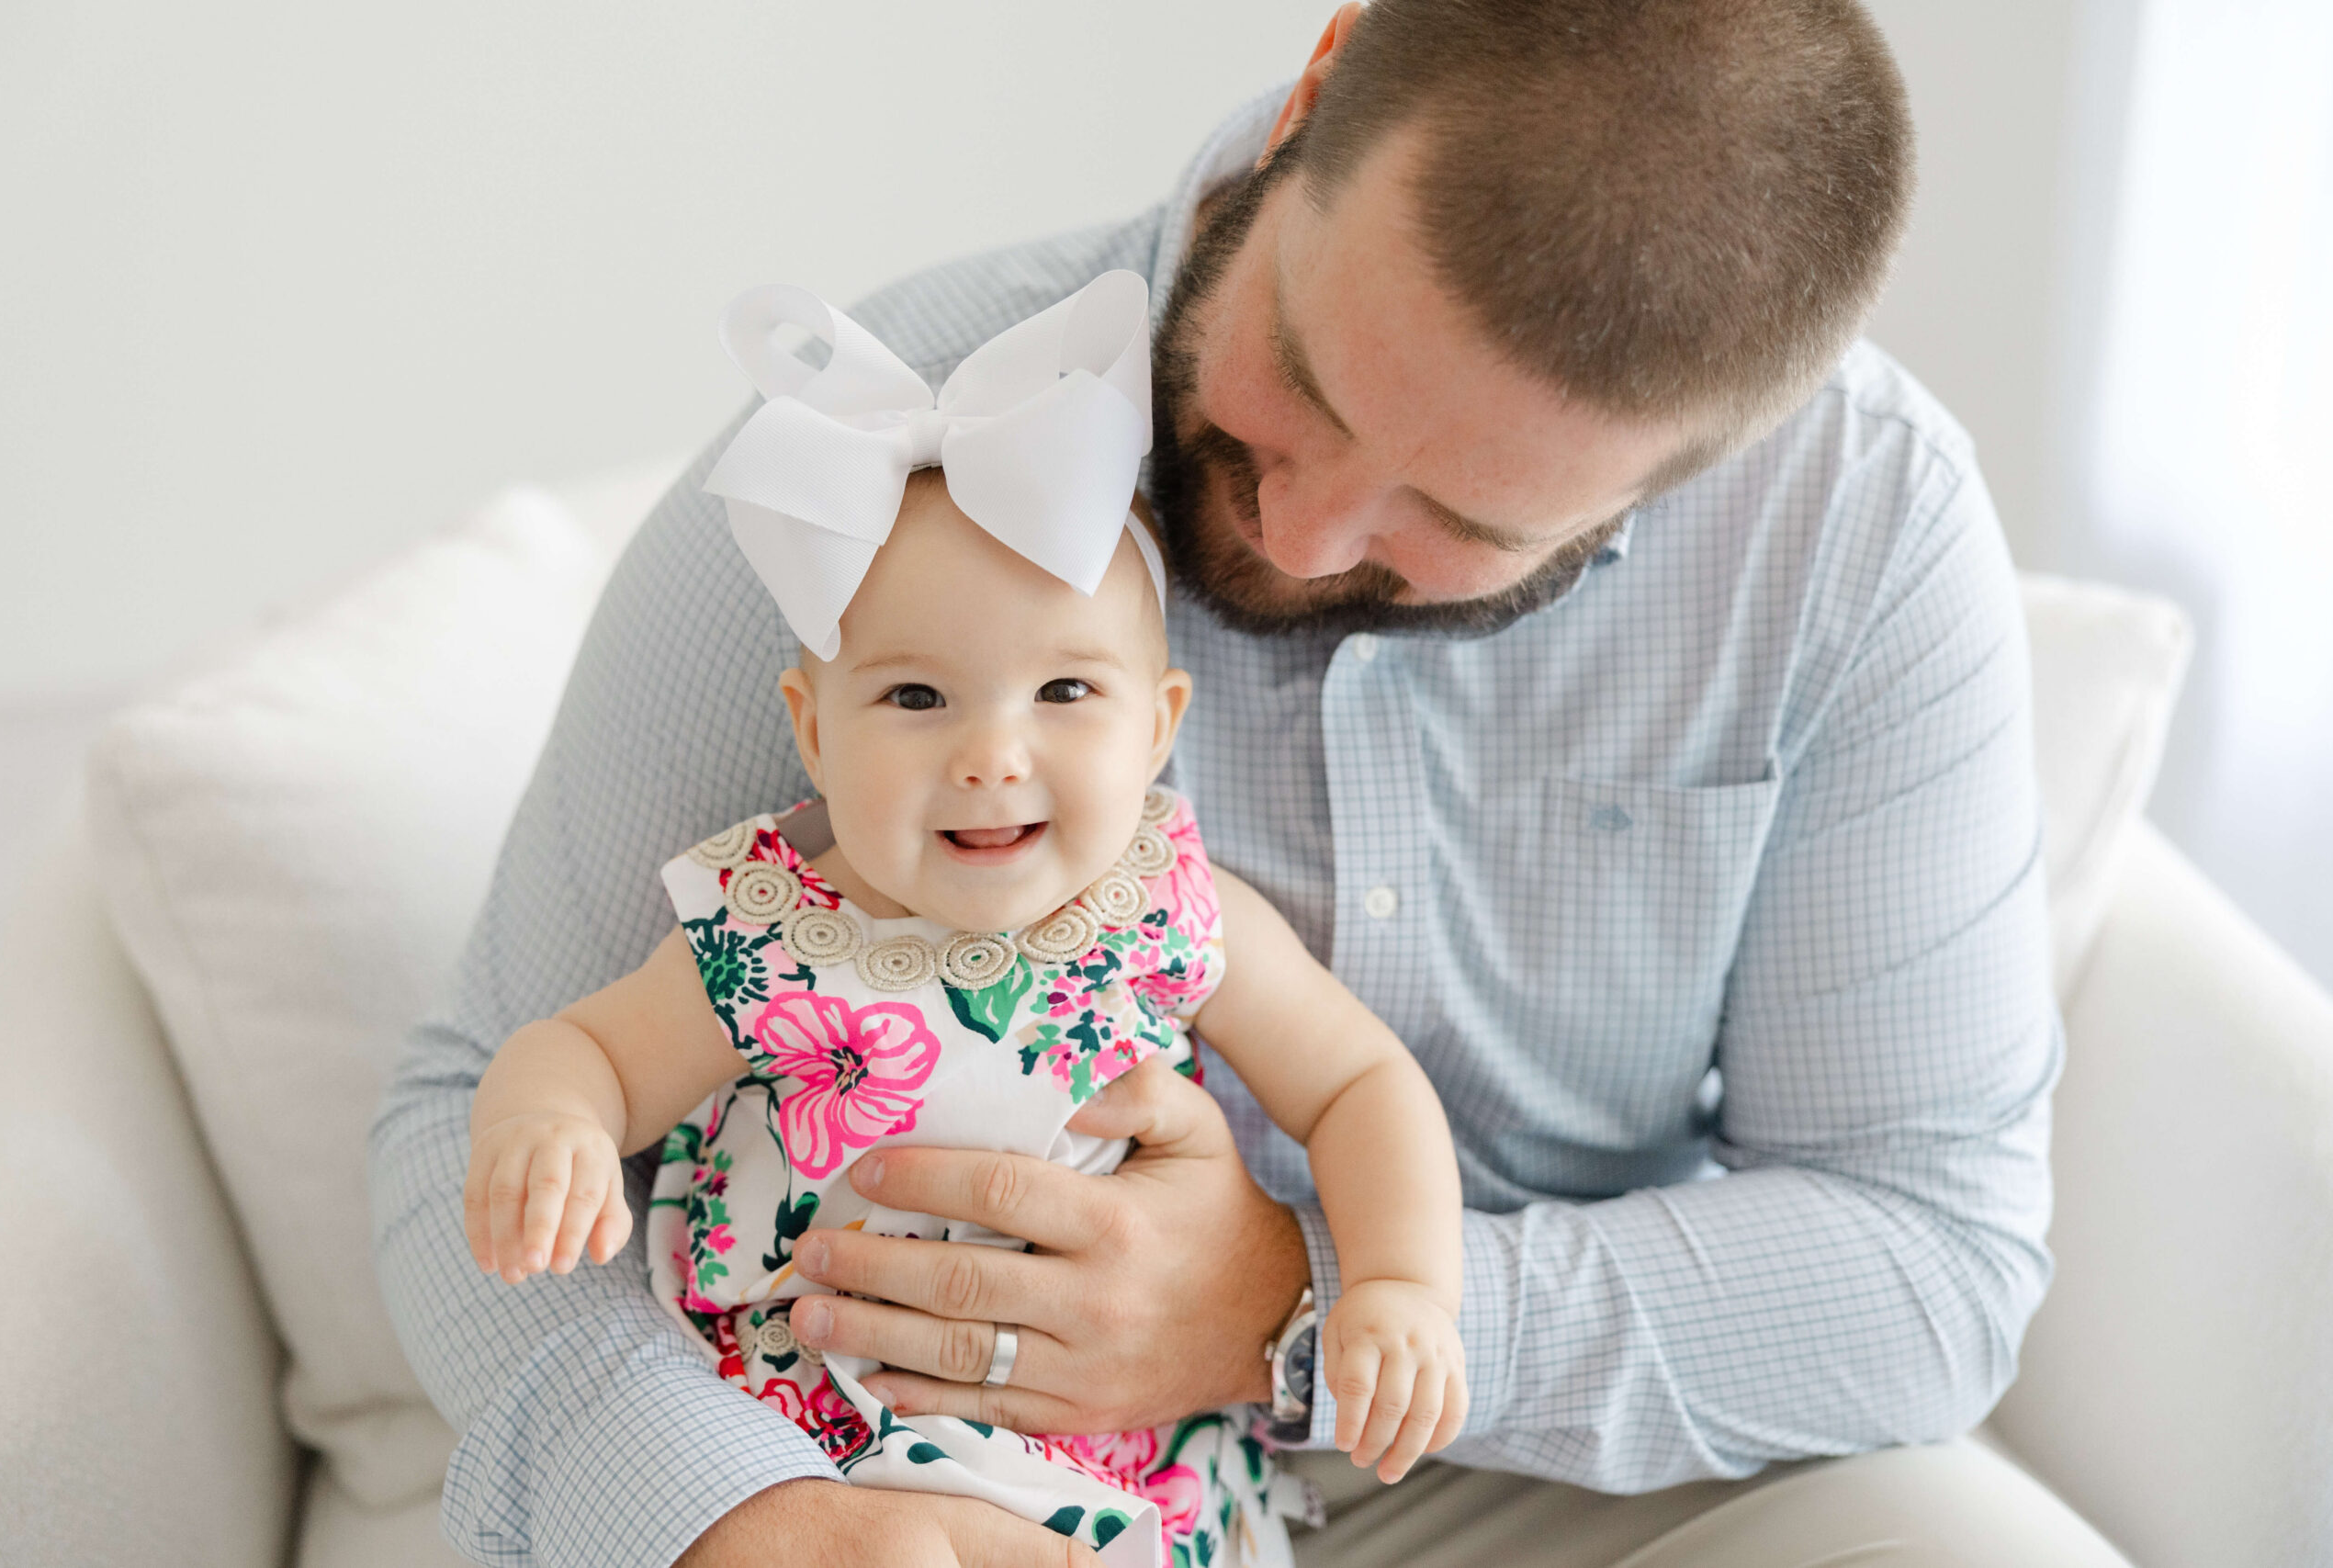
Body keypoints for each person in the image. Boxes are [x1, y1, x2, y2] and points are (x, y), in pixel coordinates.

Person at [373, 2, 2137, 1563]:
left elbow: (1927, 1259)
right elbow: (481, 1097)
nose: (1302, 534)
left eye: (1463, 525)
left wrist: (1296, 1309)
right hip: (883, 1452)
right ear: (1314, 92)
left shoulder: (1857, 532)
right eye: (1299, 380)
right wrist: (736, 1515)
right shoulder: (887, 457)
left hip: (1552, 1452)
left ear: (1690, 480)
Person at [456, 276, 1467, 1568]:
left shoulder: (1172, 910)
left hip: (1117, 1466)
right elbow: (587, 1050)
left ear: (1157, 726)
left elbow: (1361, 1085)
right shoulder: (773, 932)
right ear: (814, 733)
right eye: (920, 697)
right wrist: (552, 1127)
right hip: (825, 1456)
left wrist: (1396, 1285)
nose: (994, 755)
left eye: (1061, 690)